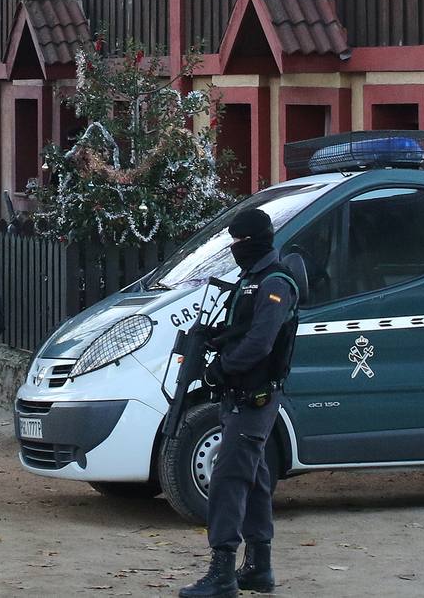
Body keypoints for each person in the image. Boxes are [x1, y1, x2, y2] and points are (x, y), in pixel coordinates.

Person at [181, 208, 302, 598]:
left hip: (255, 395)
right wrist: (215, 338)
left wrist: (223, 368)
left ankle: (222, 572)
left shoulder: (275, 282)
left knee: (228, 479)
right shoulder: (251, 279)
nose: (234, 249)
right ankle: (258, 567)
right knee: (255, 479)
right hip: (241, 396)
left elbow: (261, 342)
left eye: (237, 242)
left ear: (251, 241)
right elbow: (244, 329)